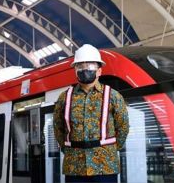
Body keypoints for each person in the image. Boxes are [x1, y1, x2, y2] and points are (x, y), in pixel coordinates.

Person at [53, 44, 129, 183]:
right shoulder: (64, 98)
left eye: (90, 66)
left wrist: (109, 150)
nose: (85, 69)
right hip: (74, 167)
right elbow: (58, 128)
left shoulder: (113, 96)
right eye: (80, 66)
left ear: (99, 71)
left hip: (105, 166)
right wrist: (70, 150)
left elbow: (123, 127)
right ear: (75, 70)